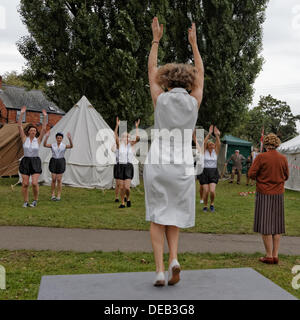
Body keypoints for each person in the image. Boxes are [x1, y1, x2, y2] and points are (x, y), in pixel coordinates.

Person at [144, 17, 204, 286]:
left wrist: (156, 40)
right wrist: (194, 44)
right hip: (182, 166)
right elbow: (201, 74)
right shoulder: (193, 102)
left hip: (158, 162)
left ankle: (159, 270)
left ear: (167, 83)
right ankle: (174, 260)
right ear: (189, 84)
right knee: (174, 217)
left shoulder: (161, 99)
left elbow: (151, 70)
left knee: (158, 217)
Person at [248, 133, 289, 265]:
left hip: (264, 193)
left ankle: (269, 255)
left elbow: (251, 174)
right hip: (278, 194)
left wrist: (261, 179)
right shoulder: (283, 158)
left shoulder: (261, 157)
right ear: (277, 144)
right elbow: (286, 176)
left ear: (265, 144)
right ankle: (276, 255)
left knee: (266, 225)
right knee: (277, 225)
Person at [18, 106, 47, 207]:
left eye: (35, 131)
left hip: (35, 161)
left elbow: (44, 128)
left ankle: (35, 200)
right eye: (32, 130)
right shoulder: (24, 138)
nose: (33, 132)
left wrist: (45, 116)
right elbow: (19, 126)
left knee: (34, 183)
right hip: (25, 161)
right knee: (25, 184)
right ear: (29, 132)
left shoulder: (38, 140)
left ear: (36, 132)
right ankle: (25, 202)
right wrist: (22, 114)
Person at [114, 117, 140, 208]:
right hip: (120, 166)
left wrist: (137, 127)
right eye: (125, 136)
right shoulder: (119, 145)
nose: (126, 138)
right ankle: (122, 203)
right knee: (121, 187)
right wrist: (117, 126)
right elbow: (115, 136)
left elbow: (137, 138)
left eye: (128, 136)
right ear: (122, 138)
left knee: (127, 188)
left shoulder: (131, 145)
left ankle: (128, 199)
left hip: (128, 167)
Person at [43, 131, 73, 201]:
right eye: (58, 138)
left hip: (61, 161)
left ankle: (58, 195)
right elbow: (44, 145)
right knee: (53, 179)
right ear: (56, 138)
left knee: (59, 179)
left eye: (60, 138)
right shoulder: (53, 145)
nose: (59, 139)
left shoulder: (64, 145)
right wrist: (46, 137)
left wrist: (70, 139)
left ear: (62, 139)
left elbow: (71, 146)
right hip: (53, 161)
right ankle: (53, 195)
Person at [197, 125, 221, 212]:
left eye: (213, 144)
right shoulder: (204, 151)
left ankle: (212, 204)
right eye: (210, 144)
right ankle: (205, 205)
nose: (212, 145)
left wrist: (217, 135)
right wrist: (209, 133)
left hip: (213, 172)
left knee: (212, 191)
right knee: (206, 191)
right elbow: (204, 143)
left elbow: (219, 143)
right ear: (207, 146)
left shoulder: (216, 152)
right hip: (204, 172)